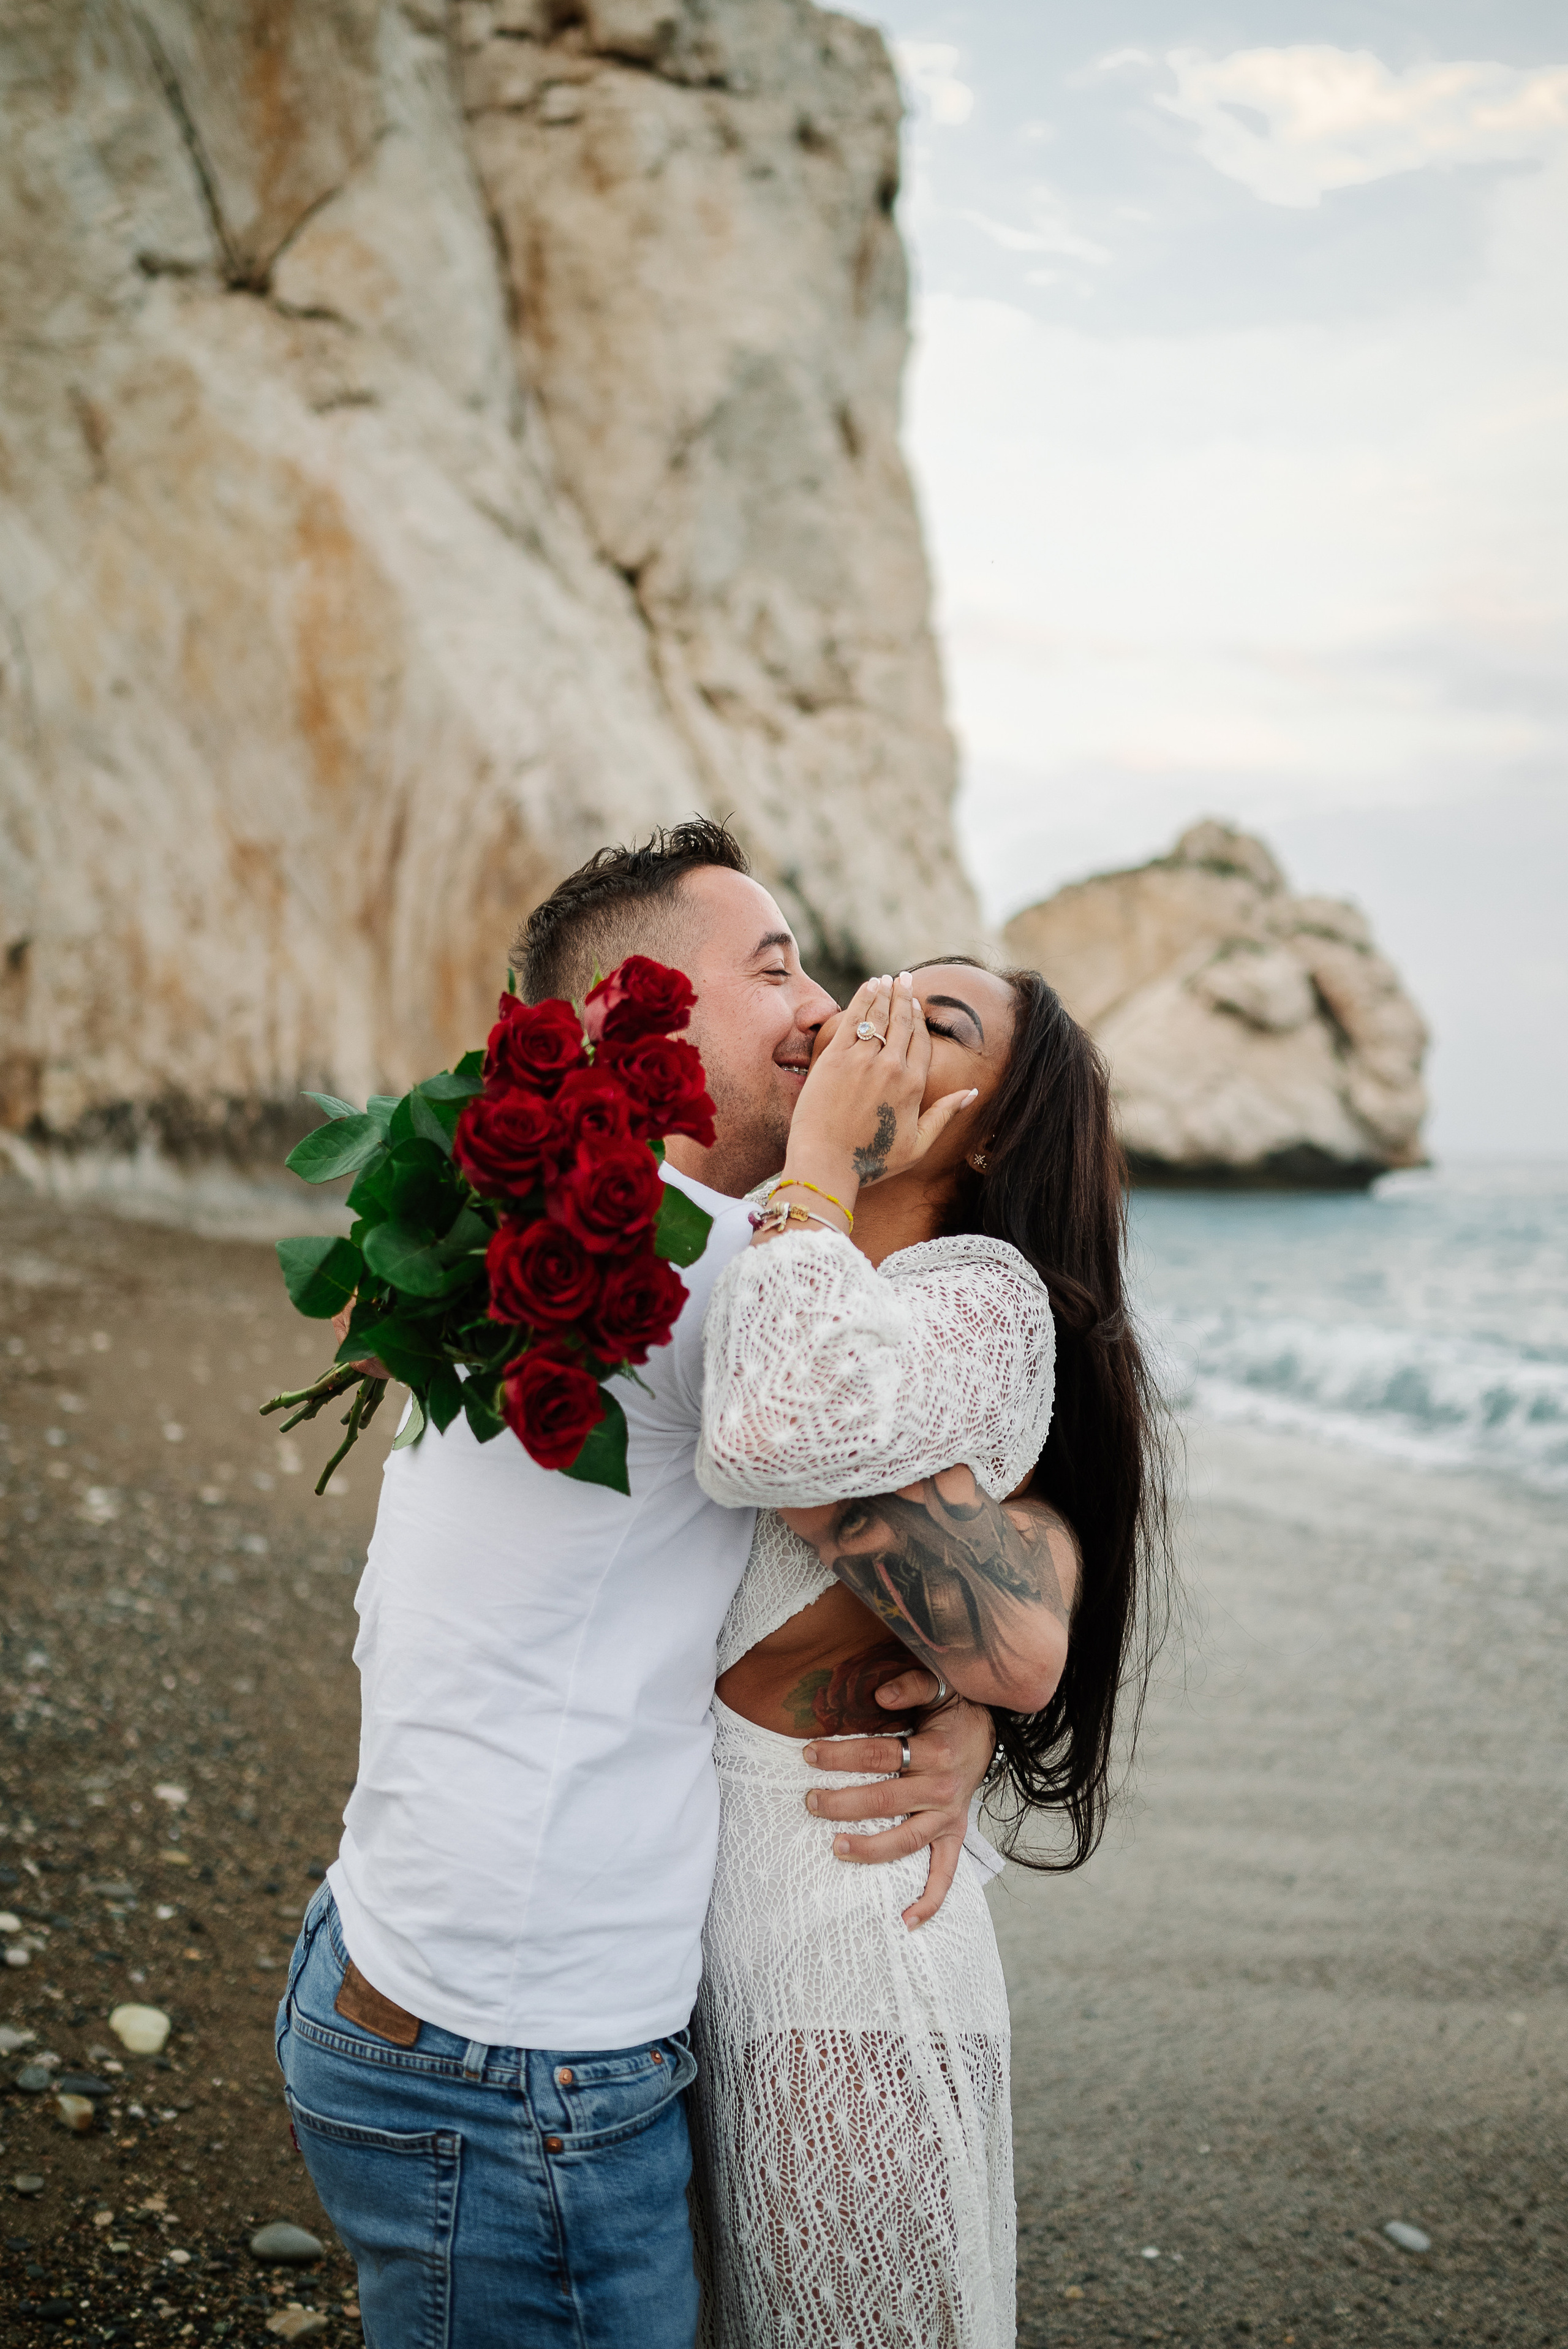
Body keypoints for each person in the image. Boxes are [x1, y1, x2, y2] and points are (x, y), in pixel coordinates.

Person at [273, 820, 1003, 2349]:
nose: (826, 1007)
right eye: (773, 969)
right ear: (632, 1023)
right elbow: (1000, 1620)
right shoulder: (697, 1275)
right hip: (512, 2060)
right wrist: (981, 1698)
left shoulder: (531, 1247)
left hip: (394, 1967)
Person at [690, 963, 1171, 2346]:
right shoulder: (787, 1241)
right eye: (879, 995)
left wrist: (822, 1162)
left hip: (845, 1933)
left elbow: (772, 1430)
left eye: (935, 1028)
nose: (874, 1028)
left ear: (995, 1129)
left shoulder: (978, 1295)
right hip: (699, 1935)